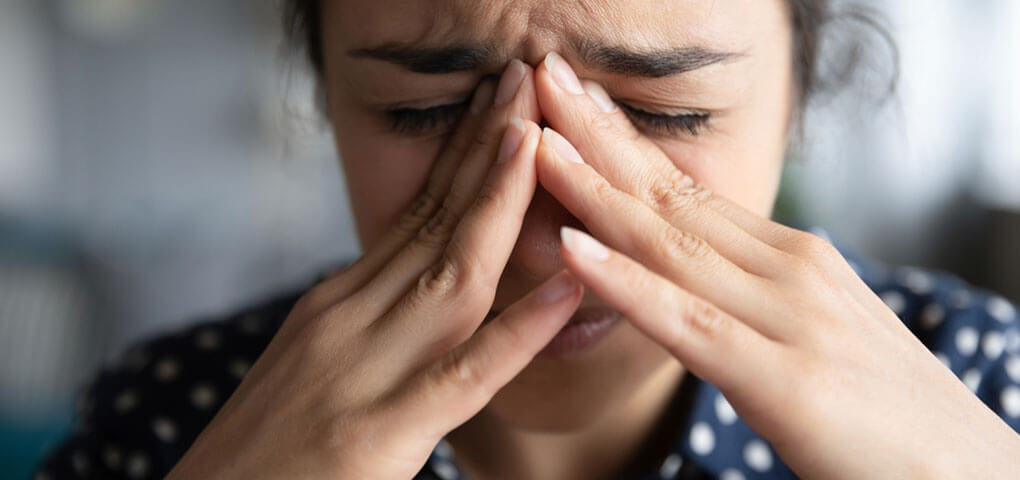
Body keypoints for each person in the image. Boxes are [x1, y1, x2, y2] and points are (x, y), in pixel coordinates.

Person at [34, 1, 1020, 479]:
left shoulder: (984, 386)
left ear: (798, 96)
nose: (549, 246)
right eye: (424, 111)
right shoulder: (172, 424)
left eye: (668, 115)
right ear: (327, 100)